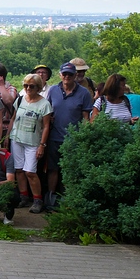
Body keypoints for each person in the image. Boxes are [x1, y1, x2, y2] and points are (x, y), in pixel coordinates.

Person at [45, 62, 93, 206]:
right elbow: (47, 111)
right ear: (60, 75)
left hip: (73, 138)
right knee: (53, 169)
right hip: (54, 136)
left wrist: (83, 137)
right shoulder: (53, 90)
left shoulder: (84, 93)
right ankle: (51, 198)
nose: (67, 77)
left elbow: (86, 117)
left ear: (75, 75)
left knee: (70, 170)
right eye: (64, 74)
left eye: (70, 74)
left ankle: (68, 201)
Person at [7, 74, 53, 214]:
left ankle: (38, 200)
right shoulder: (20, 100)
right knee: (19, 170)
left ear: (38, 87)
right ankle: (23, 197)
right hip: (17, 139)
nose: (28, 88)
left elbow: (46, 126)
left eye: (31, 86)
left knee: (30, 172)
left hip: (33, 142)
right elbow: (13, 118)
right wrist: (7, 137)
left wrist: (42, 145)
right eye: (26, 85)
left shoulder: (44, 104)